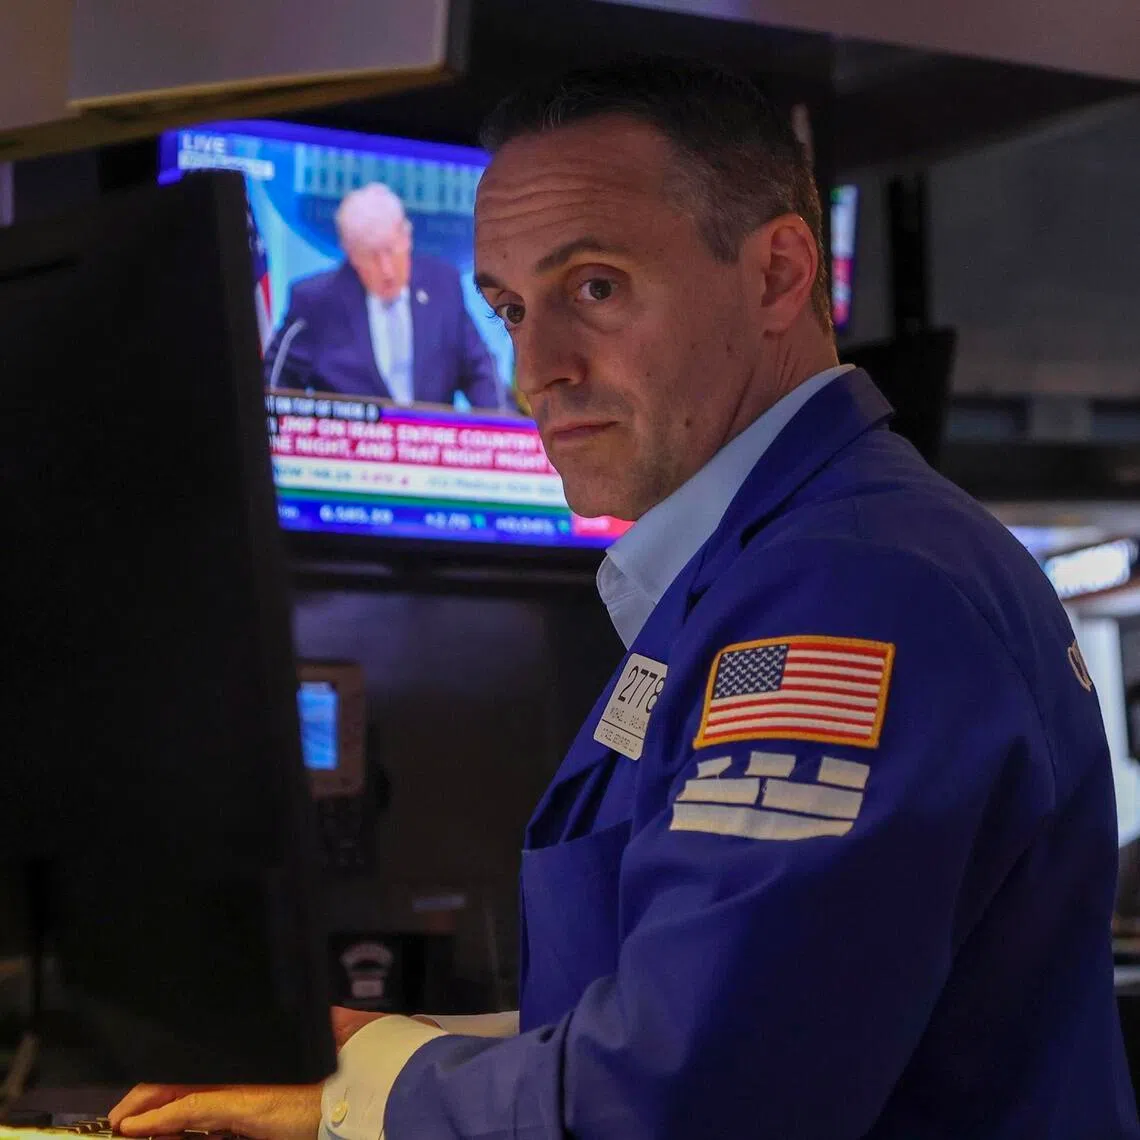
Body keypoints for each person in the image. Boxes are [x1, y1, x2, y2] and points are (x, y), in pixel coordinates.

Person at [110, 57, 1140, 1139]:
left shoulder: (850, 588)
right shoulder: (782, 565)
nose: (533, 371)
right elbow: (707, 1024)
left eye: (593, 287)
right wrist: (371, 1057)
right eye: (510, 308)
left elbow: (700, 1100)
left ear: (783, 275)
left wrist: (361, 1094)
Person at [264, 182, 502, 410]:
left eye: (390, 250)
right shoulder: (316, 303)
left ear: (406, 237)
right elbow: (273, 386)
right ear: (351, 254)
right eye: (371, 256)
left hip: (431, 446)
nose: (386, 269)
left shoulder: (443, 285)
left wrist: (503, 432)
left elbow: (480, 372)